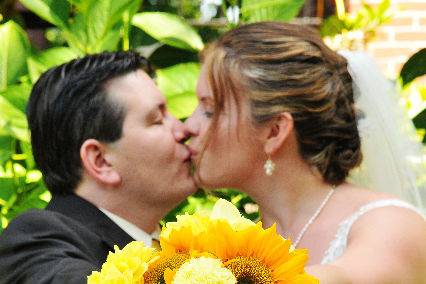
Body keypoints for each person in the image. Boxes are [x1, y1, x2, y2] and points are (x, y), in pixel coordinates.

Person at [185, 22, 426, 283]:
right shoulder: (238, 244)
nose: (188, 126)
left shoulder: (390, 225)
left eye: (209, 110)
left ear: (275, 131)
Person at [0, 51, 196, 283]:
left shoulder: (177, 248)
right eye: (157, 120)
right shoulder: (38, 242)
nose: (183, 130)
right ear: (101, 161)